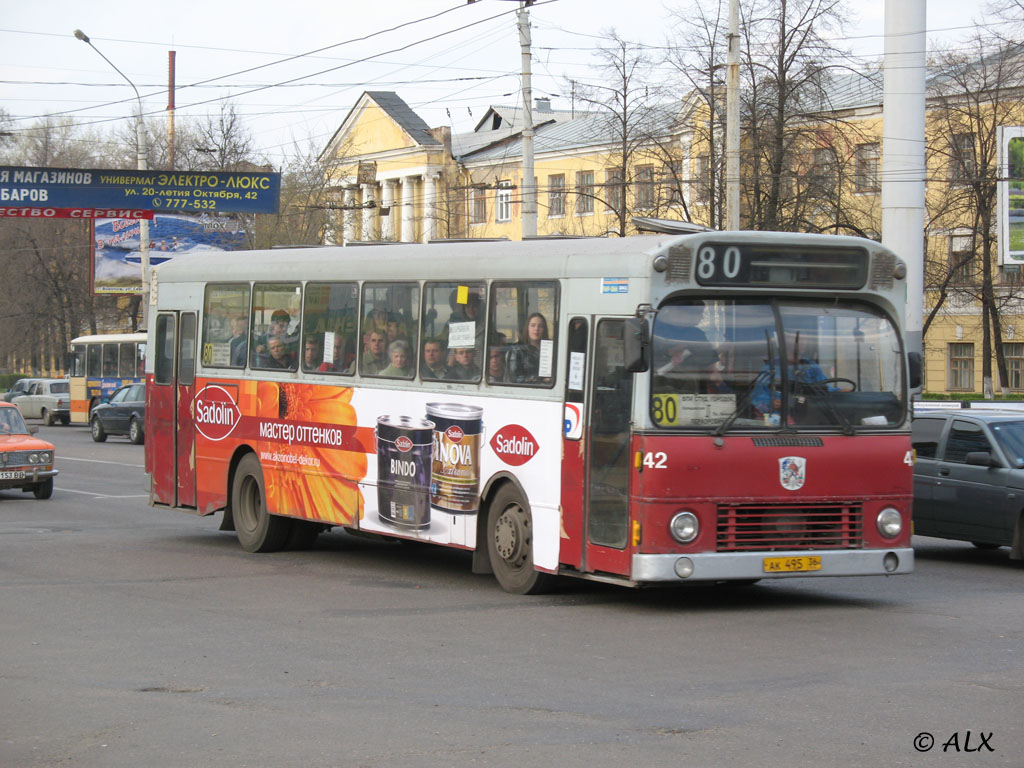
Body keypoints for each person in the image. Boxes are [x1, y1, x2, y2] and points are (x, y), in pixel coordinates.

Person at [750, 334, 828, 423]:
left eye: (802, 347)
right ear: (785, 347)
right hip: (777, 421)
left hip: (809, 419)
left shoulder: (811, 366)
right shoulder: (771, 368)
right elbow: (756, 395)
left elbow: (824, 388)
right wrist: (771, 403)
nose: (800, 348)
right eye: (794, 349)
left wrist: (840, 391)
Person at [506, 312, 550, 384]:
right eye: (533, 325)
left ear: (544, 329)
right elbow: (515, 378)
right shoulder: (516, 350)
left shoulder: (551, 348)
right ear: (527, 328)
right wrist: (540, 380)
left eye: (540, 326)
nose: (536, 329)